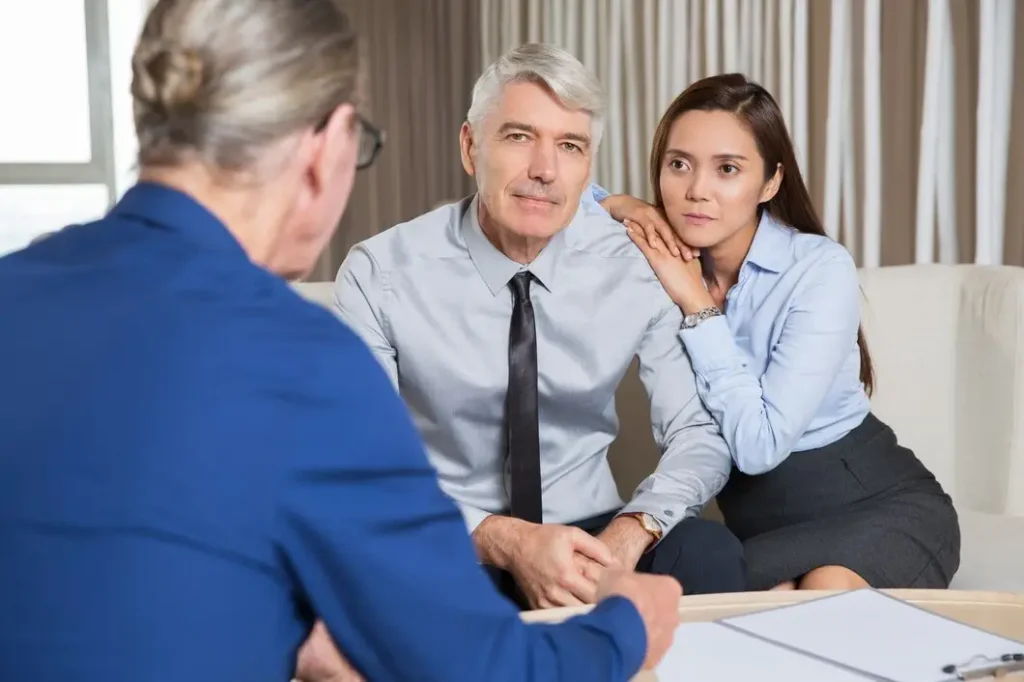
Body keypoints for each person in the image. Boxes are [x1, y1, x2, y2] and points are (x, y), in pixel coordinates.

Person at [0, 3, 685, 681]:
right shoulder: (303, 360)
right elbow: (485, 668)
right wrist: (627, 624)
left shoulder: (13, 292)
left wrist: (287, 638)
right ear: (324, 146)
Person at [333, 43, 747, 612]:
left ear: (588, 168)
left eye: (569, 146)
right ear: (470, 147)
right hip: (453, 535)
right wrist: (506, 541)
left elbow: (699, 430)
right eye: (518, 136)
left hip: (592, 533)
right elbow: (359, 461)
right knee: (368, 581)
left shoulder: (637, 265)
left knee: (708, 554)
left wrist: (628, 536)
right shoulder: (381, 272)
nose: (544, 171)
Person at [592, 73, 961, 591]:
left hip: (878, 505)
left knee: (819, 602)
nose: (697, 191)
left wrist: (696, 301)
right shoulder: (658, 250)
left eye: (727, 169)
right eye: (679, 164)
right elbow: (551, 193)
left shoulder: (818, 268)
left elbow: (759, 447)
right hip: (764, 527)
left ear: (770, 182)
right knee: (715, 610)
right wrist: (623, 206)